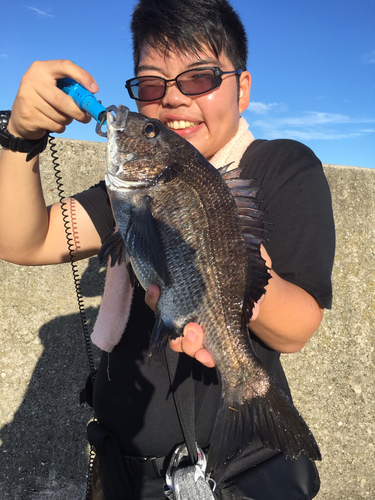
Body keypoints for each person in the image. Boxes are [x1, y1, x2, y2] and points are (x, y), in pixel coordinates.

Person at [0, 0, 335, 498]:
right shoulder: (129, 191)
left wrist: (216, 268)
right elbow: (24, 240)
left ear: (242, 89)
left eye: (199, 78)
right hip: (121, 470)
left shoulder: (281, 167)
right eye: (153, 85)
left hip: (230, 476)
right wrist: (20, 138)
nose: (174, 99)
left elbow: (298, 326)